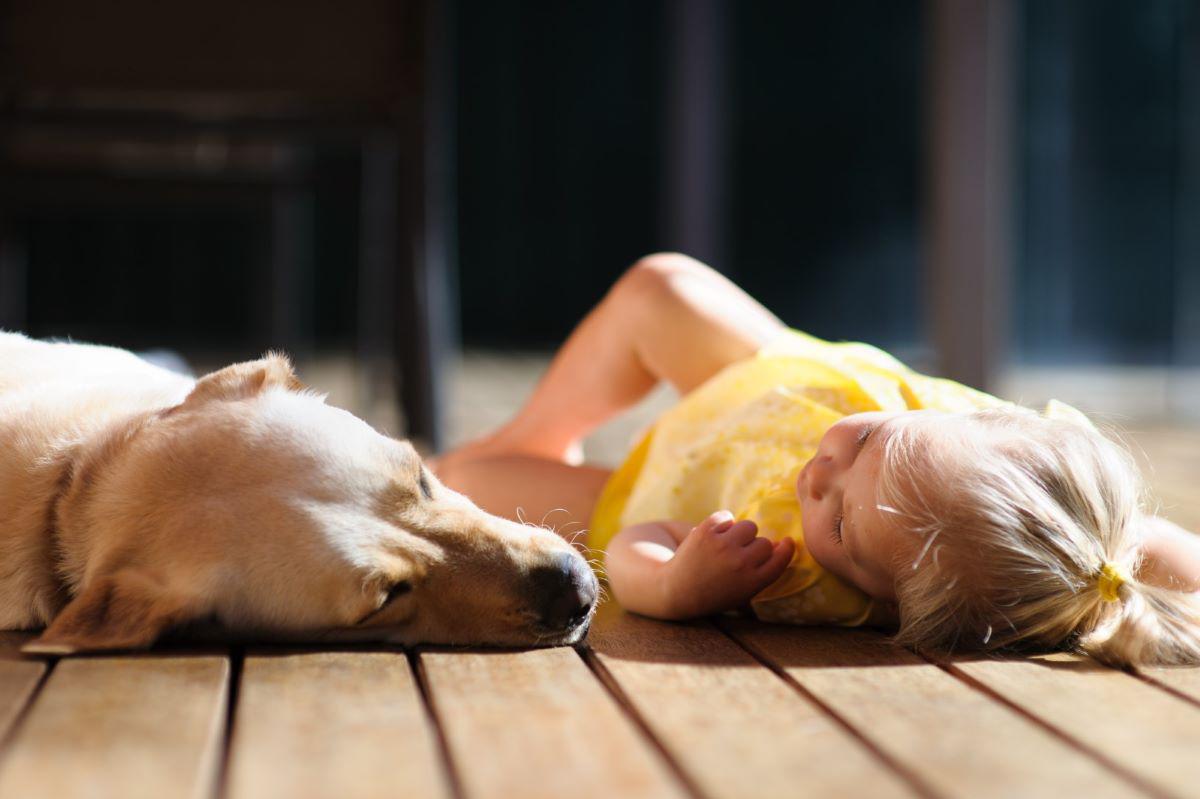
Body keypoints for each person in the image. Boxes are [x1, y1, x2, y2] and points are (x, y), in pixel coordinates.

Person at [434, 253, 1200, 666]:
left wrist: (675, 582)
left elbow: (642, 544)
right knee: (659, 287)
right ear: (976, 414)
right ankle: (540, 429)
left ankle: (511, 453)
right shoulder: (1004, 448)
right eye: (866, 440)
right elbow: (1128, 549)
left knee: (466, 479)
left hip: (663, 484)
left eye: (839, 523)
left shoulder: (798, 570)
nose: (817, 476)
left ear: (883, 597)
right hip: (768, 380)